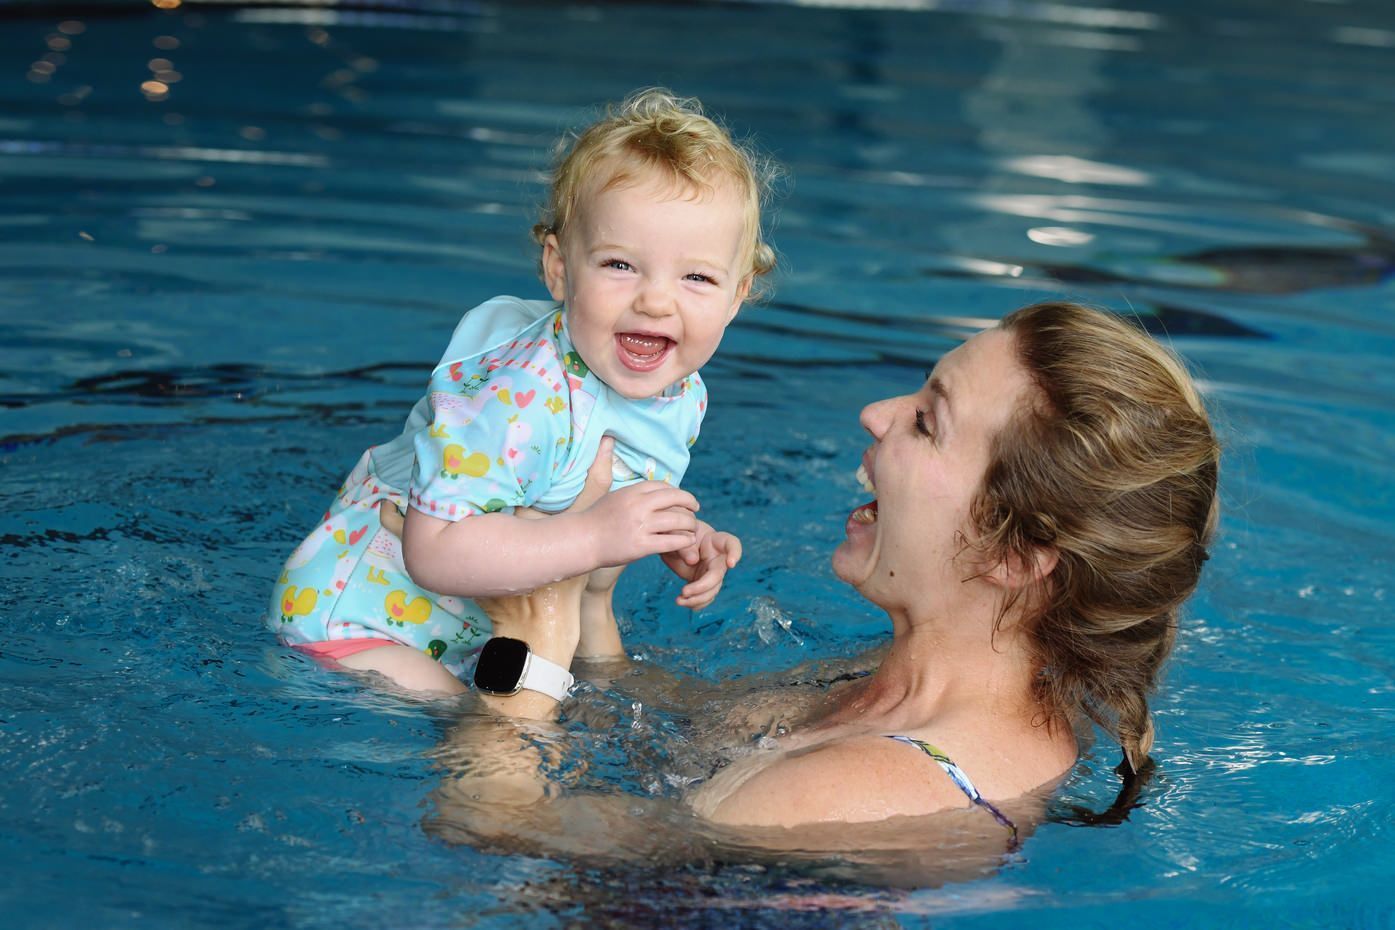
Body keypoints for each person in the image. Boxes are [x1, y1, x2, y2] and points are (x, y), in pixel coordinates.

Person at [438, 300, 1220, 845]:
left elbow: (493, 836)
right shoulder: (928, 687)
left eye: (925, 420)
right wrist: (590, 601)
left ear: (1012, 556)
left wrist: (526, 637)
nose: (877, 413)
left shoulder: (854, 792)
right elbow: (687, 724)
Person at [266, 88, 777, 694]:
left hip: (470, 630)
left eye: (696, 277)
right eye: (620, 265)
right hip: (358, 623)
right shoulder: (516, 396)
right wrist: (593, 536)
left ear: (737, 295)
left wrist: (672, 530)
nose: (656, 300)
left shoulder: (681, 390)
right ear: (560, 269)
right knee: (479, 731)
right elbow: (431, 553)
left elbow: (602, 486)